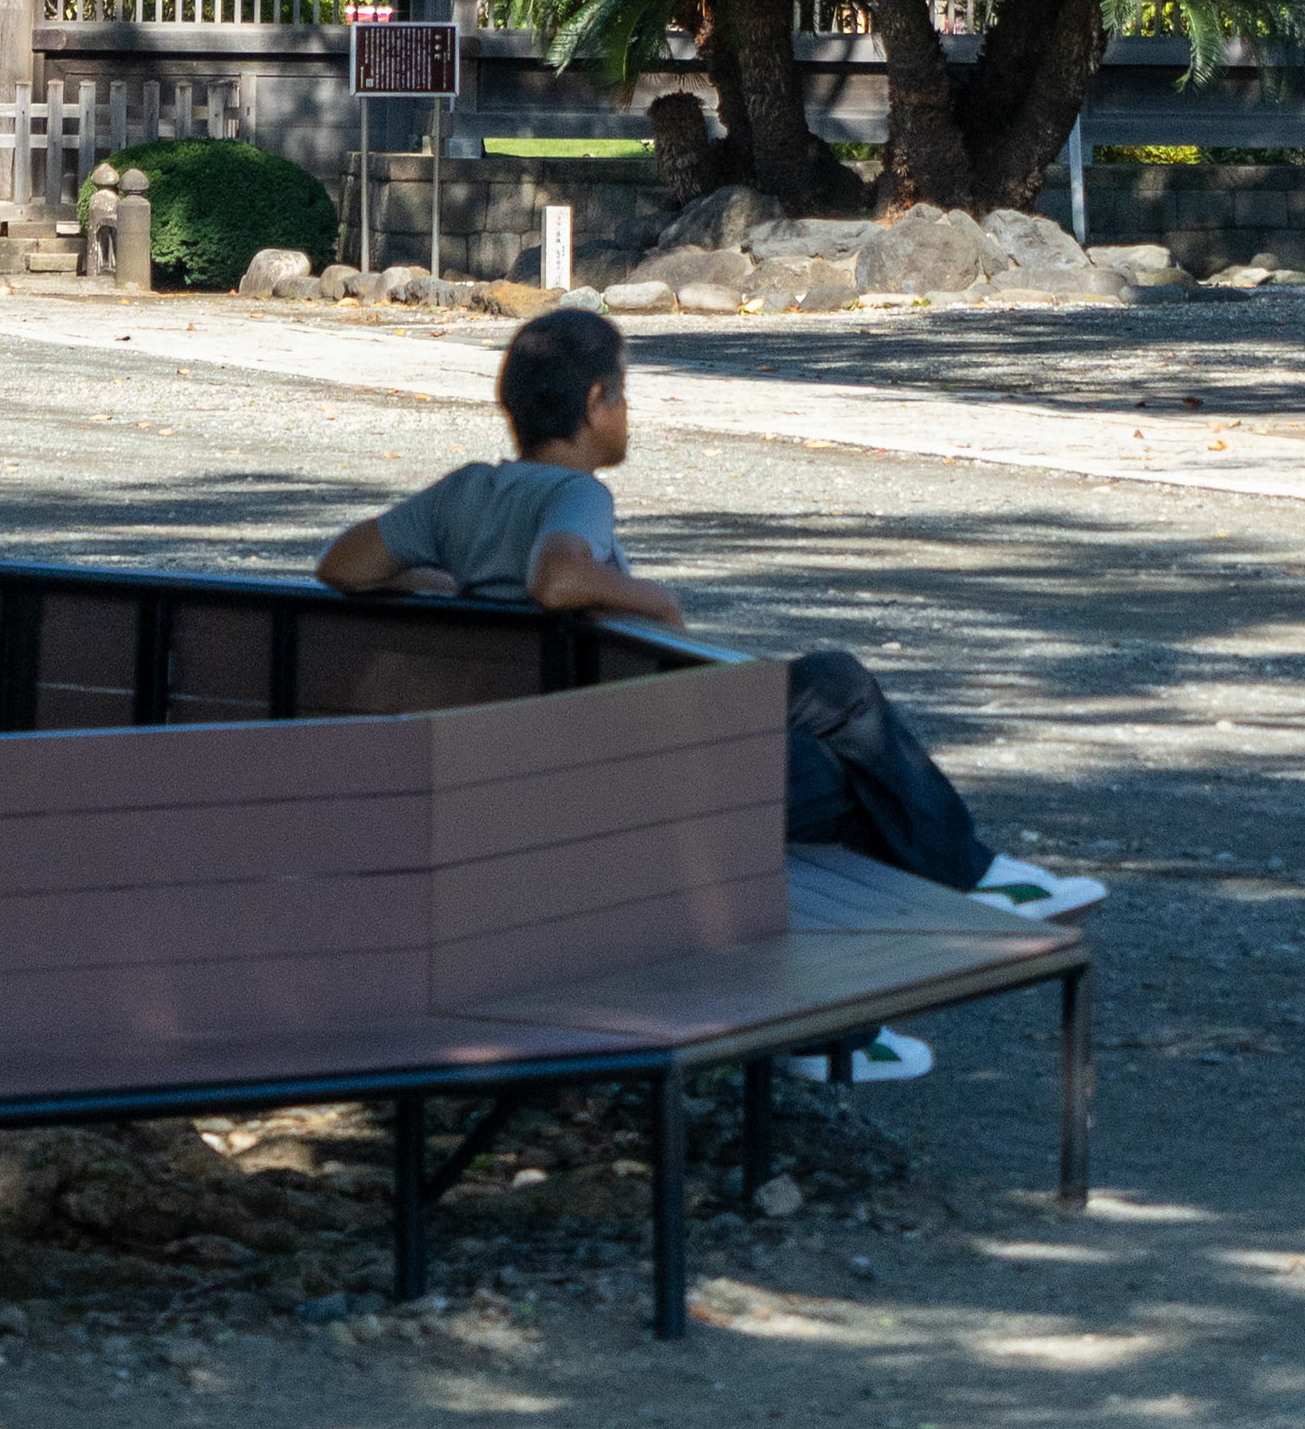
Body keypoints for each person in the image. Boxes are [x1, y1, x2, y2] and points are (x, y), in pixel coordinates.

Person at [316, 305, 1087, 1073]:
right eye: (624, 394)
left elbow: (343, 565)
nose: (627, 412)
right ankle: (854, 1006)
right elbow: (557, 580)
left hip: (539, 757)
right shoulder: (576, 492)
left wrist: (448, 583)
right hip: (612, 771)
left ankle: (867, 1000)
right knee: (836, 767)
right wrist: (659, 604)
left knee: (832, 690)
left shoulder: (466, 490)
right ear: (594, 403)